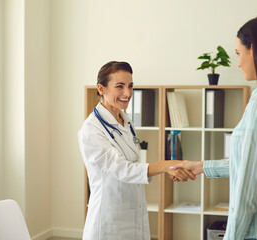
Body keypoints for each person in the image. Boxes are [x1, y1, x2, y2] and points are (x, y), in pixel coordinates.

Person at [172, 16, 257, 240]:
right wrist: (200, 166)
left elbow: (248, 191)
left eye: (238, 53)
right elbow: (254, 164)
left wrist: (231, 237)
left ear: (253, 50)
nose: (238, 63)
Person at [78, 61, 195, 240]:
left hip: (133, 214)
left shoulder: (127, 121)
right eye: (120, 86)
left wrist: (168, 169)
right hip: (109, 222)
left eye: (130, 86)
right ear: (101, 89)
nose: (128, 93)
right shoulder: (91, 130)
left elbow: (134, 164)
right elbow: (123, 169)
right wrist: (165, 166)